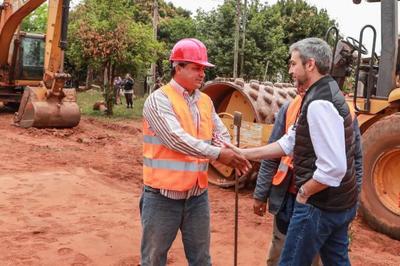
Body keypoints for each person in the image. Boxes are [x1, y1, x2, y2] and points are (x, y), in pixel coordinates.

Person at [227, 37, 358, 265]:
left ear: (310, 64)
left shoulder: (319, 103)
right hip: (340, 204)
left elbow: (334, 168)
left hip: (318, 206)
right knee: (337, 261)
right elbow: (289, 142)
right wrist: (245, 153)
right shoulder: (327, 93)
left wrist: (304, 193)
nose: (290, 70)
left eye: (293, 63)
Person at [140, 38, 251, 266]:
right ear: (177, 67)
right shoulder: (158, 100)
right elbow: (175, 139)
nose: (202, 74)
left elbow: (220, 134)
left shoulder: (205, 101)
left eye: (203, 69)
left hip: (197, 196)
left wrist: (229, 150)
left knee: (201, 259)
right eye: (196, 68)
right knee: (153, 258)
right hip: (162, 196)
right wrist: (219, 154)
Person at [254, 90, 363, 266]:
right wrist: (260, 194)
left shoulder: (346, 112)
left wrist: (353, 202)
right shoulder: (290, 108)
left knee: (311, 256)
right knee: (280, 250)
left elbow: (355, 161)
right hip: (287, 198)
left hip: (320, 203)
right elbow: (273, 153)